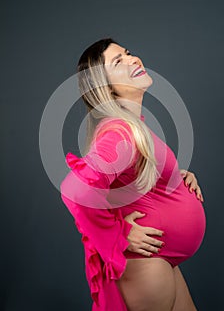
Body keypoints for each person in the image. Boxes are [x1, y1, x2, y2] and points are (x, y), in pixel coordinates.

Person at [60, 38, 206, 311]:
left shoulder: (133, 128)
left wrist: (176, 179)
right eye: (118, 61)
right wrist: (119, 233)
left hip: (161, 261)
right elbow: (76, 190)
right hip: (147, 266)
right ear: (105, 87)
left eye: (128, 53)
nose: (133, 59)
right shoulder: (120, 132)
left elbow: (134, 181)